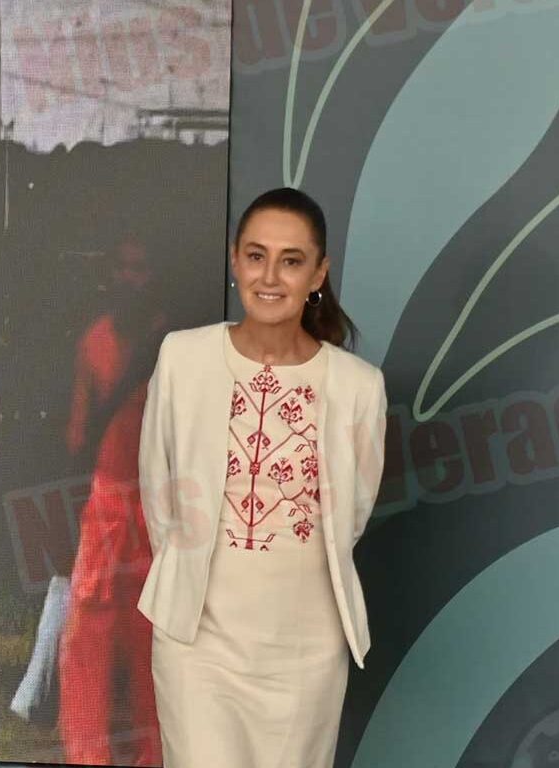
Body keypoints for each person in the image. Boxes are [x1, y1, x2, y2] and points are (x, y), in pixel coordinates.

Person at [136, 187, 388, 768]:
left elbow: (350, 518)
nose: (269, 276)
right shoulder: (183, 357)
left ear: (318, 273)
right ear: (235, 260)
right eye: (256, 256)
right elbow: (159, 493)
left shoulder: (358, 386)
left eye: (291, 260)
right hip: (196, 642)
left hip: (306, 653)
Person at [56, 237, 168, 766]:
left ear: (153, 277)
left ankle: (156, 757)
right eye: (121, 268)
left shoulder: (174, 345)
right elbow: (78, 437)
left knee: (154, 642)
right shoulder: (93, 341)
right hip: (105, 504)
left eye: (139, 269)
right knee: (87, 640)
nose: (128, 278)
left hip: (161, 506)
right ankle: (88, 757)